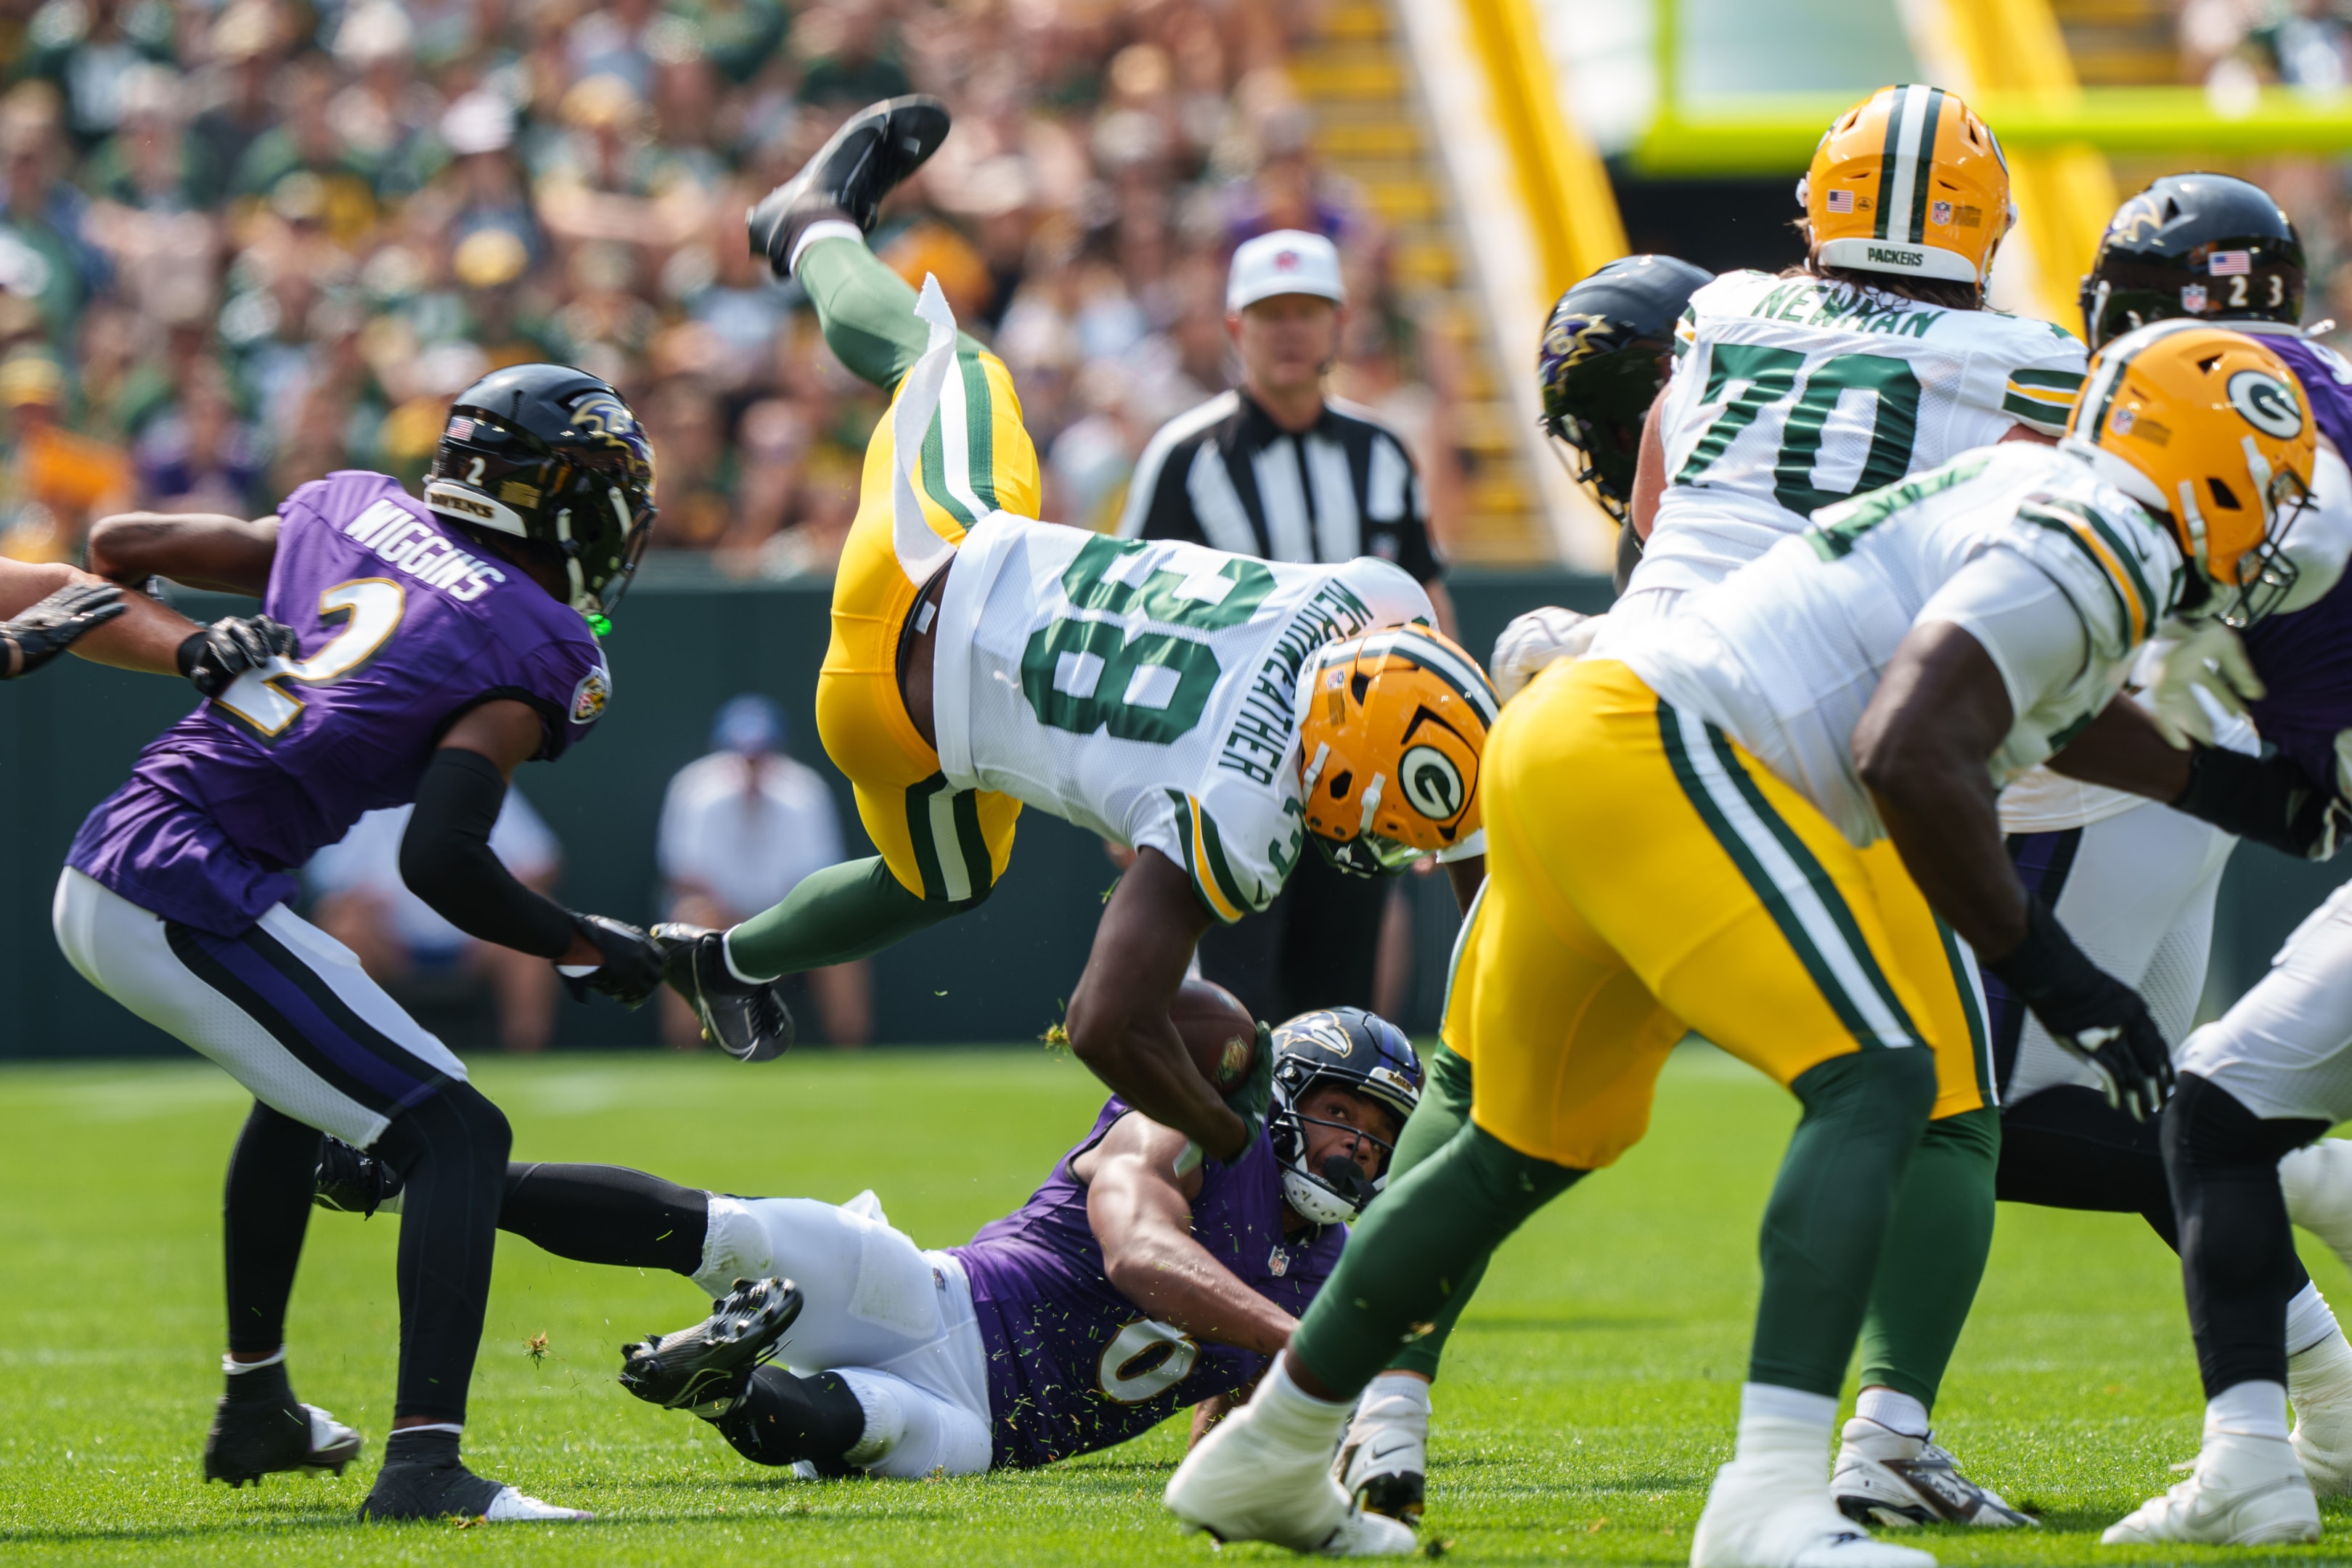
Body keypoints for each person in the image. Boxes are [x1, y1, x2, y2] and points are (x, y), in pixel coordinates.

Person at [1164, 321, 2319, 1565]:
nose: (2275, 526)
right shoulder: (2103, 534)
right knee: (1880, 1074)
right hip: (1668, 749)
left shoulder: (2041, 499)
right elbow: (1907, 750)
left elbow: (2032, 705)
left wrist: (2238, 795)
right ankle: (1768, 1502)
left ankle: (1271, 1451)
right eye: (2273, 488)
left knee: (1508, 1152)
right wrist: (2059, 973)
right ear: (2208, 463)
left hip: (1570, 745)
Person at [1338, 86, 2088, 1530]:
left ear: (1822, 212)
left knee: (1473, 1091)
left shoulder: (1728, 310)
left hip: (1611, 705)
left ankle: (1368, 1405)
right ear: (1981, 233)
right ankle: (1873, 1439)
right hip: (1795, 755)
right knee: (1935, 1101)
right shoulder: (2035, 364)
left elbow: (1652, 518)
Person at [661, 98, 1490, 1184]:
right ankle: (732, 960)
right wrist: (1240, 1146)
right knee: (942, 883)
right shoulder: (1239, 818)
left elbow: (1423, 663)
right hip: (900, 738)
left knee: (946, 366)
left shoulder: (1364, 596)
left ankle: (820, 229)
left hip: (926, 567)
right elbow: (1101, 1024)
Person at [53, 363, 678, 1523]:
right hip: (176, 884)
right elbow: (441, 861)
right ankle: (425, 1470)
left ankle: (257, 1409)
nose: (617, 522)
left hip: (141, 851)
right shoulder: (537, 641)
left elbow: (120, 538)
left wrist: (211, 656)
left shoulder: (348, 508)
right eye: (602, 493)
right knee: (457, 1131)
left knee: (304, 1099)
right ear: (551, 496)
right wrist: (583, 943)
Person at [311, 1010, 1421, 1482]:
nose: (1358, 1150)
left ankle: (722, 1382)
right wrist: (1308, 1344)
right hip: (939, 1306)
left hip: (989, 1436)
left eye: (1378, 1136)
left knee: (861, 1429)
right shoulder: (1189, 1135)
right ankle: (417, 1166)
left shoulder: (1316, 1264)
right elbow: (1140, 1258)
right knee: (730, 1230)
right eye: (1343, 1114)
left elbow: (1222, 1413)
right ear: (1281, 1097)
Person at [1110, 229, 1452, 1026]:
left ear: (1339, 323)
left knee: (1340, 1014)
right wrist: (1131, 789)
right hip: (1231, 767)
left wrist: (1436, 769)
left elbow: (1426, 603)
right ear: (1235, 328)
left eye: (1307, 311)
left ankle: (1319, 1158)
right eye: (1271, 313)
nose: (1291, 329)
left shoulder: (1383, 451)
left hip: (1359, 771)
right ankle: (1232, 1157)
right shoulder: (1185, 456)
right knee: (1234, 1010)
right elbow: (1135, 624)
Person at [657, 693, 868, 1048]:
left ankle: (851, 1047)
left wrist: (771, 923)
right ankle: (684, 1052)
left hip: (788, 918)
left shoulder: (805, 792)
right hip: (719, 920)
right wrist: (737, 921)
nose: (751, 768)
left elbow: (817, 879)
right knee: (688, 919)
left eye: (760, 755)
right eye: (743, 755)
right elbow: (684, 877)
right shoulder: (693, 788)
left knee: (844, 931)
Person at [307, 792, 566, 1054]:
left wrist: (496, 894)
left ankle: (526, 1054)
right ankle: (354, 1055)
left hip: (481, 939)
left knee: (534, 921)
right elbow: (330, 881)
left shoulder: (489, 782)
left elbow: (540, 861)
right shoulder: (361, 795)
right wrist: (362, 901)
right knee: (344, 927)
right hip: (387, 941)